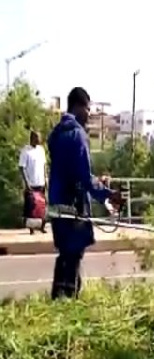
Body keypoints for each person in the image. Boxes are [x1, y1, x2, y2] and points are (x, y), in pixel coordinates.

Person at [47, 87, 123, 300]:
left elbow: (69, 171)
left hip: (56, 205)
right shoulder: (77, 134)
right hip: (73, 208)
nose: (89, 114)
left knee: (64, 255)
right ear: (79, 106)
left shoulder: (57, 133)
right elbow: (82, 176)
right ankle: (68, 305)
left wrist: (93, 181)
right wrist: (108, 193)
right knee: (73, 256)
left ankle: (57, 301)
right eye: (88, 109)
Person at [19, 130, 47, 234]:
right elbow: (21, 167)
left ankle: (42, 226)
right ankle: (31, 229)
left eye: (39, 137)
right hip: (31, 183)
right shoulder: (25, 151)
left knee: (42, 205)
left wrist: (46, 178)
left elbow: (44, 165)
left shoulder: (41, 150)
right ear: (32, 138)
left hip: (41, 182)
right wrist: (26, 183)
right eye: (37, 137)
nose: (39, 140)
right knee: (31, 206)